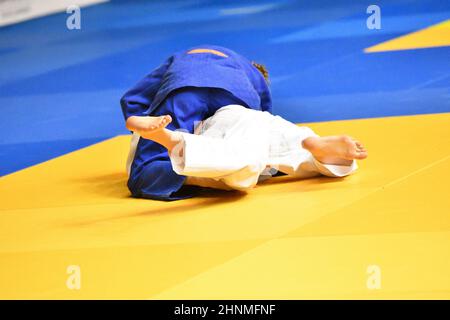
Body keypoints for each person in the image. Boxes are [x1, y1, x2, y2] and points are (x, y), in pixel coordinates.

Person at [121, 45, 271, 200]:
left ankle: (180, 174)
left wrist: (143, 134)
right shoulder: (252, 74)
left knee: (144, 171)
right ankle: (217, 169)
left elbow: (131, 100)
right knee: (241, 141)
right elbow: (264, 119)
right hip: (237, 96)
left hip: (183, 88)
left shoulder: (180, 56)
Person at [126, 104, 368, 192]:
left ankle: (169, 140)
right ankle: (312, 145)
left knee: (248, 167)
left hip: (231, 128)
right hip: (265, 124)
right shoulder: (251, 108)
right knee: (255, 164)